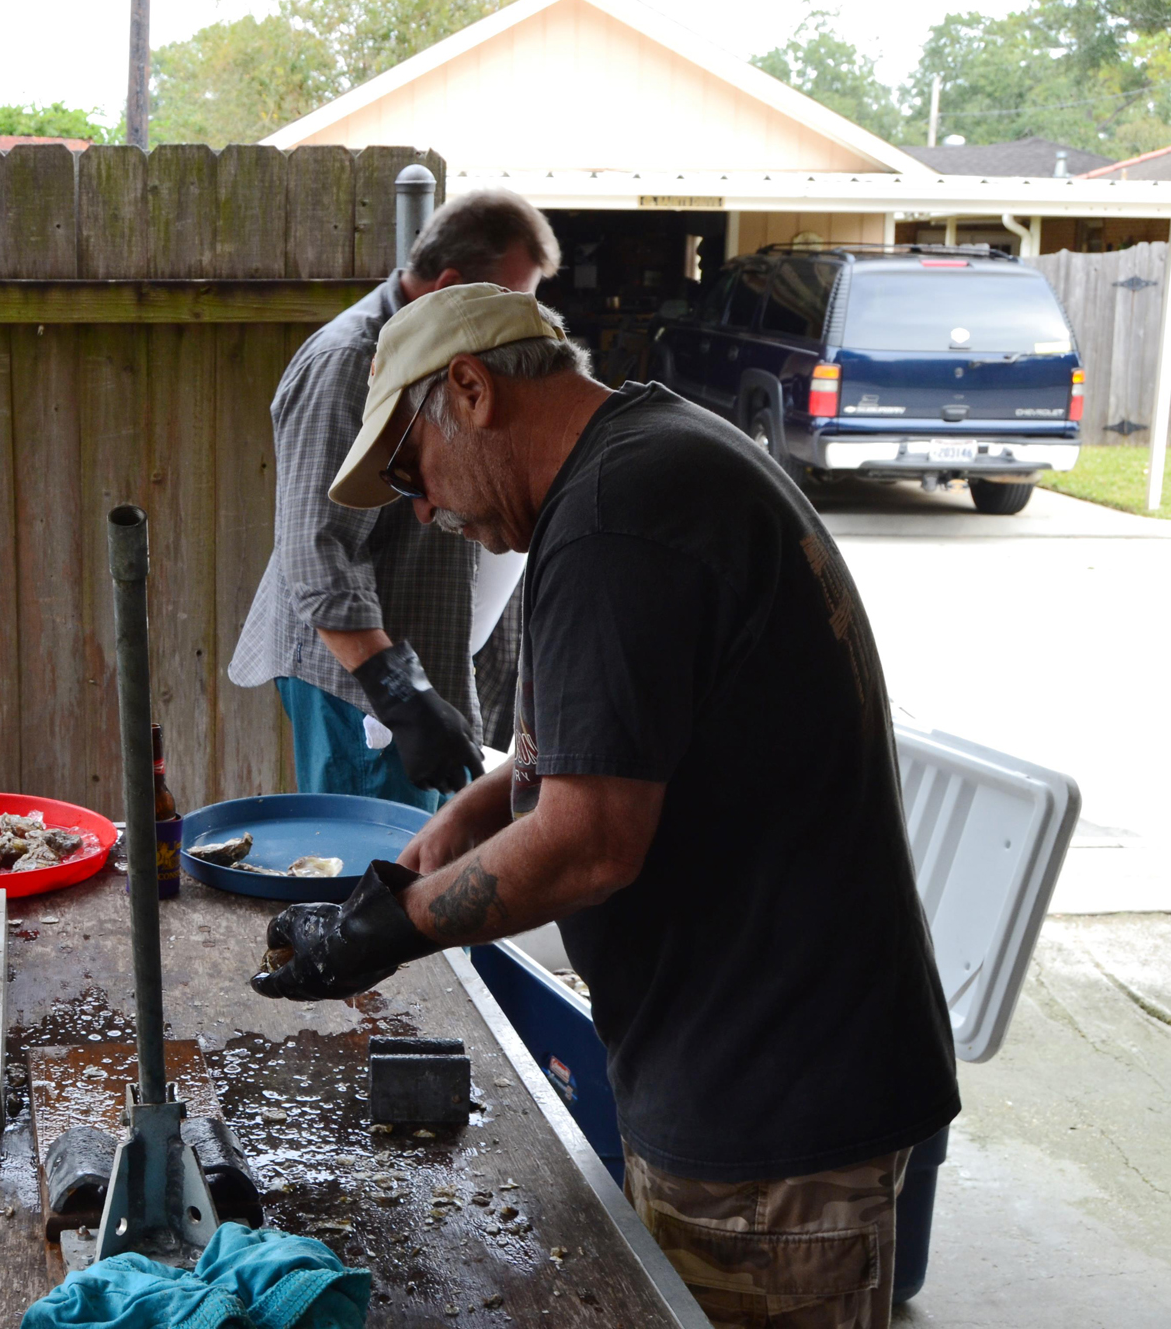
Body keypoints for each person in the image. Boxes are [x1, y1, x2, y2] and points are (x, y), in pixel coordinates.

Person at [252, 284, 959, 1329]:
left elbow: (589, 844)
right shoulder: (644, 460)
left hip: (767, 1096)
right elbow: (607, 756)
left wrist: (389, 929)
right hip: (758, 1053)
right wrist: (461, 823)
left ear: (470, 389)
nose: (422, 509)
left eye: (408, 467)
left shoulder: (615, 522)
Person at [228, 190, 559, 811]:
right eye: (509, 301)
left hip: (418, 660)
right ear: (450, 285)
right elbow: (315, 547)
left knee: (420, 851)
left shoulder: (449, 354)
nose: (521, 323)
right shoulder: (349, 361)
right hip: (358, 683)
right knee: (372, 858)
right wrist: (398, 694)